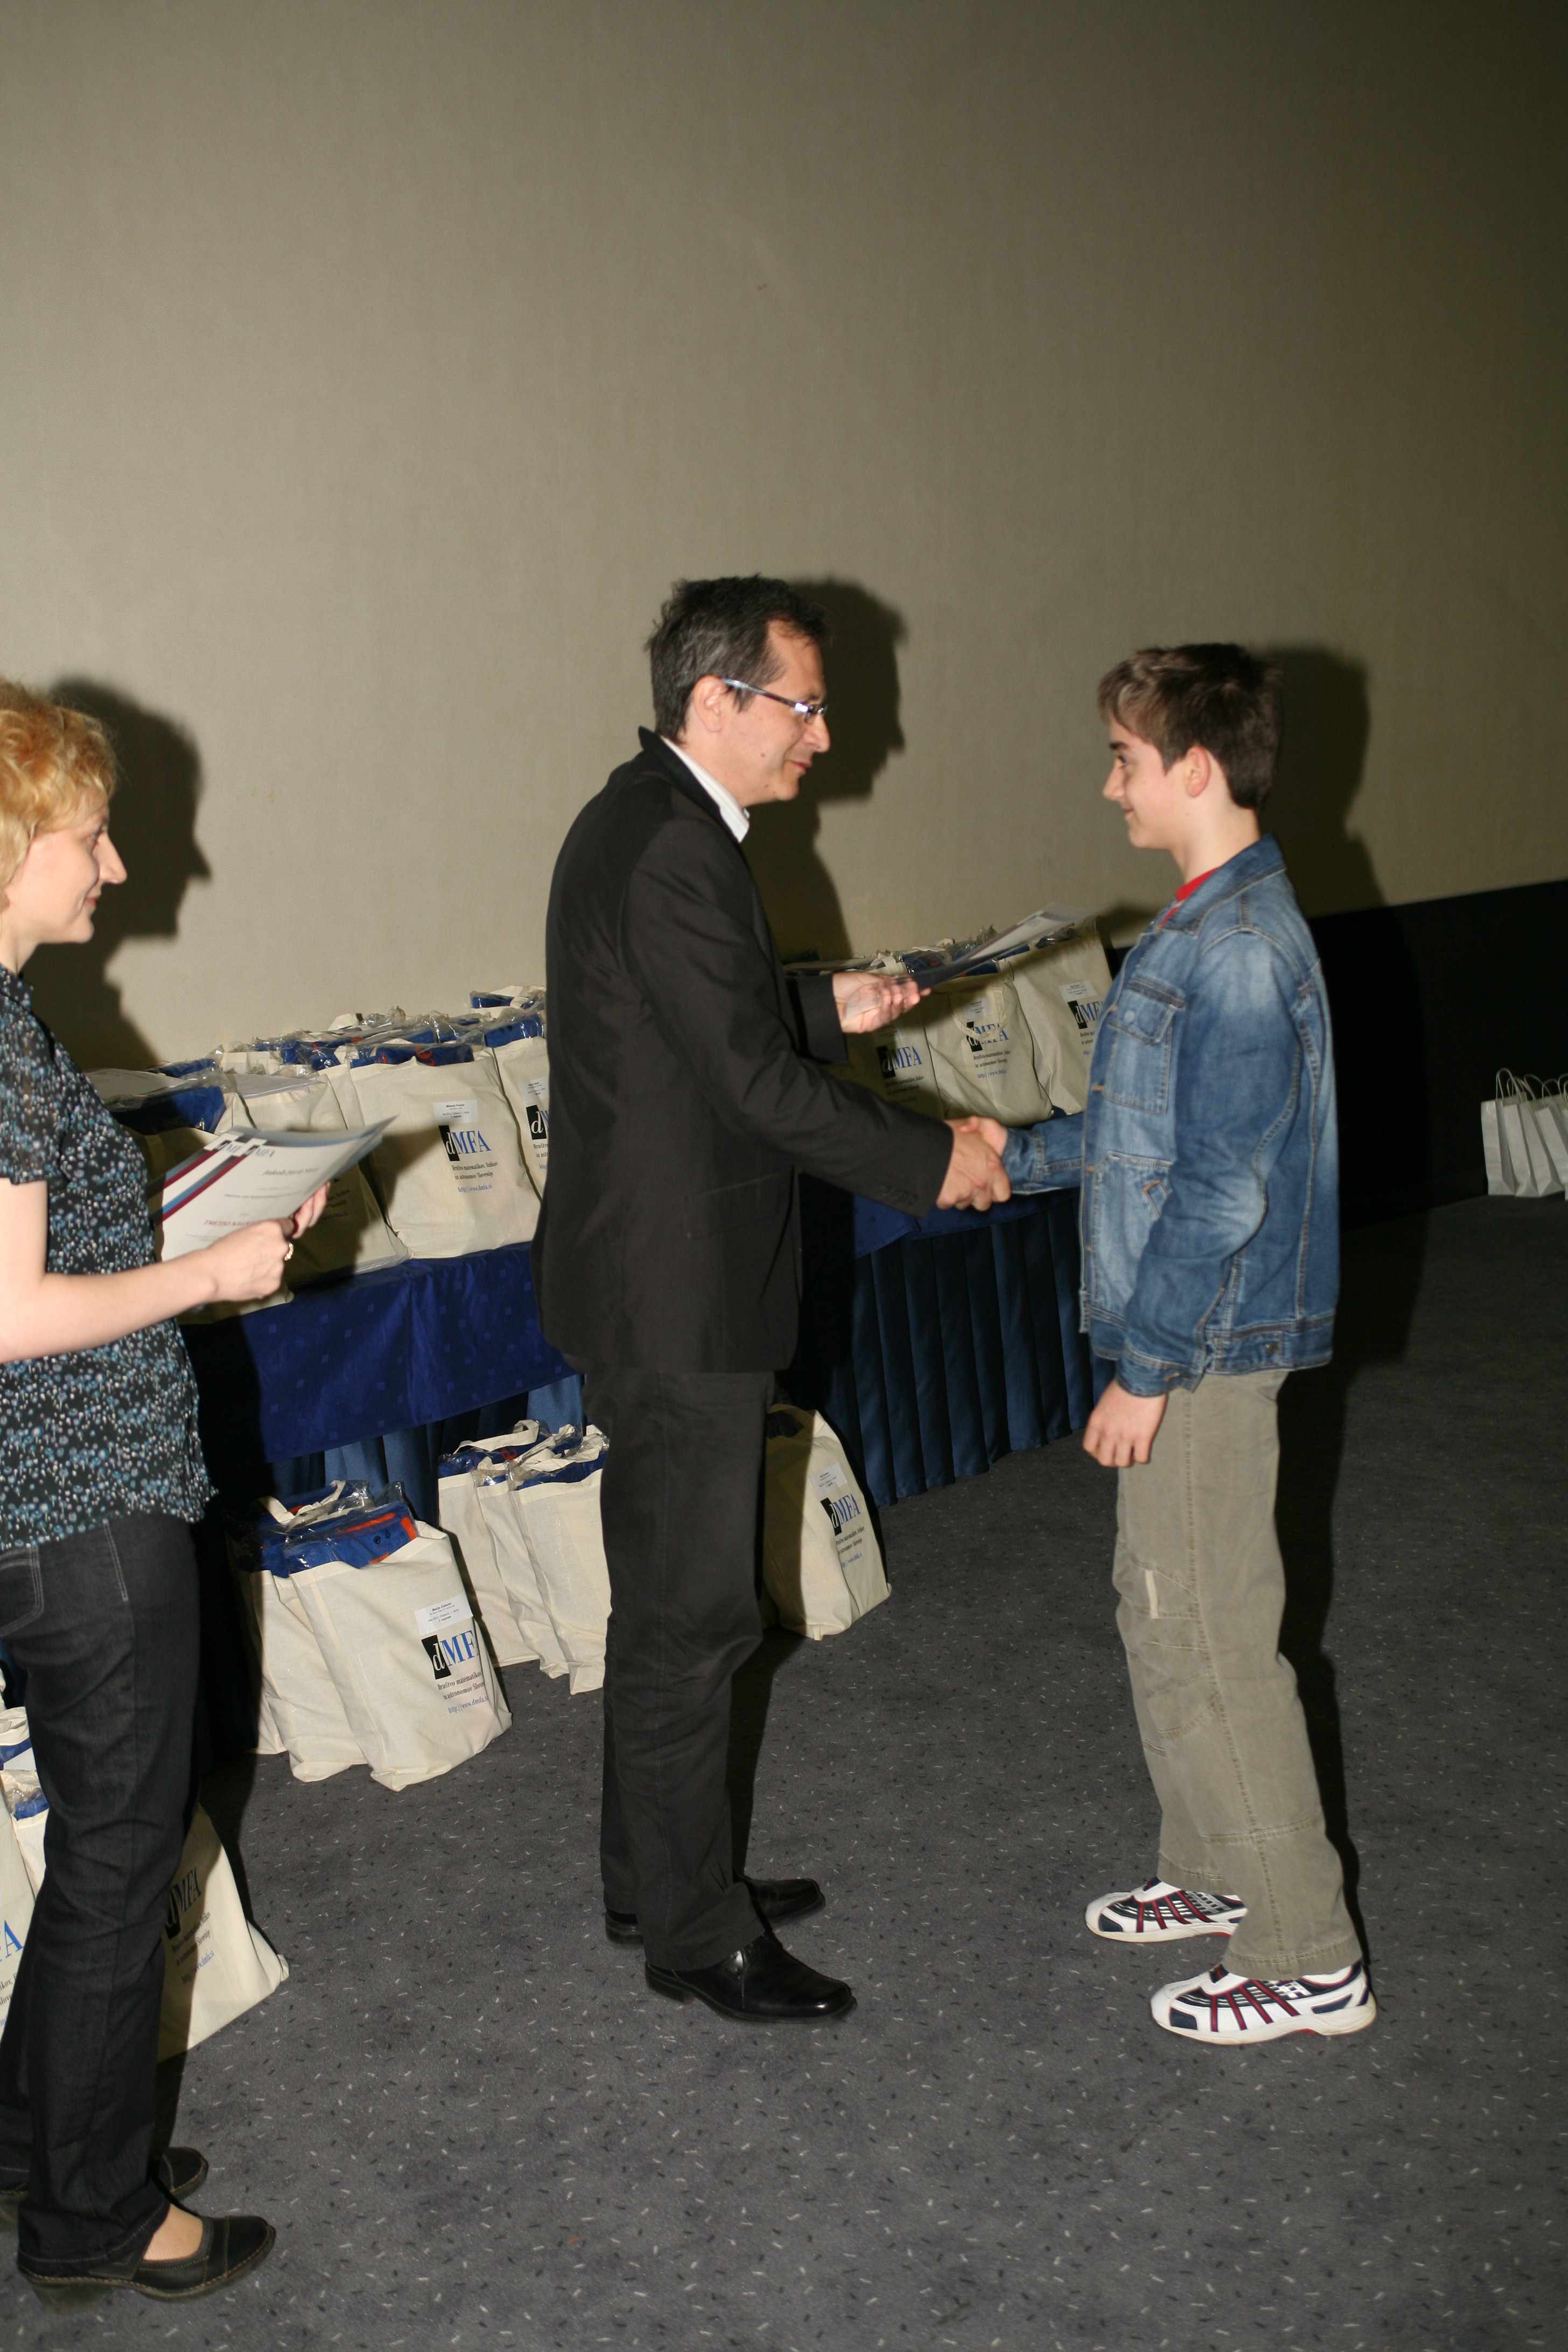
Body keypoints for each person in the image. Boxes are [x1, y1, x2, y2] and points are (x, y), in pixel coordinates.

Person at [534, 576, 1010, 2026]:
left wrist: (820, 1004)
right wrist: (935, 1161)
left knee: (664, 1607)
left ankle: (652, 1878)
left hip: (647, 1279)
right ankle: (695, 1934)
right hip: (677, 1296)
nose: (824, 736)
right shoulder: (674, 847)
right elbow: (750, 1087)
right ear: (716, 699)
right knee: (698, 1621)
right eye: (802, 706)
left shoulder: (645, 821)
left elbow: (687, 1023)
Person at [0, 682, 328, 2308]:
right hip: (80, 1508)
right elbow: (9, 1314)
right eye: (88, 836)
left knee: (103, 1850)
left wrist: (178, 1226)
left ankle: (42, 2140)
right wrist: (209, 1271)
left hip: (44, 1506)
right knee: (124, 1859)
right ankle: (95, 2218)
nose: (116, 866)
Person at [1003, 644, 1373, 2045]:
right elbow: (1146, 1134)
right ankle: (1218, 1871)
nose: (1112, 786)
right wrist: (1009, 1154)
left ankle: (1307, 1955)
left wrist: (1147, 1369)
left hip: (1206, 1344)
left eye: (1125, 758)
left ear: (1195, 767)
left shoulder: (1237, 947)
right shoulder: (1206, 919)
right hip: (1190, 1334)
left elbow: (1222, 1191)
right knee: (1160, 1613)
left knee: (1218, 1639)